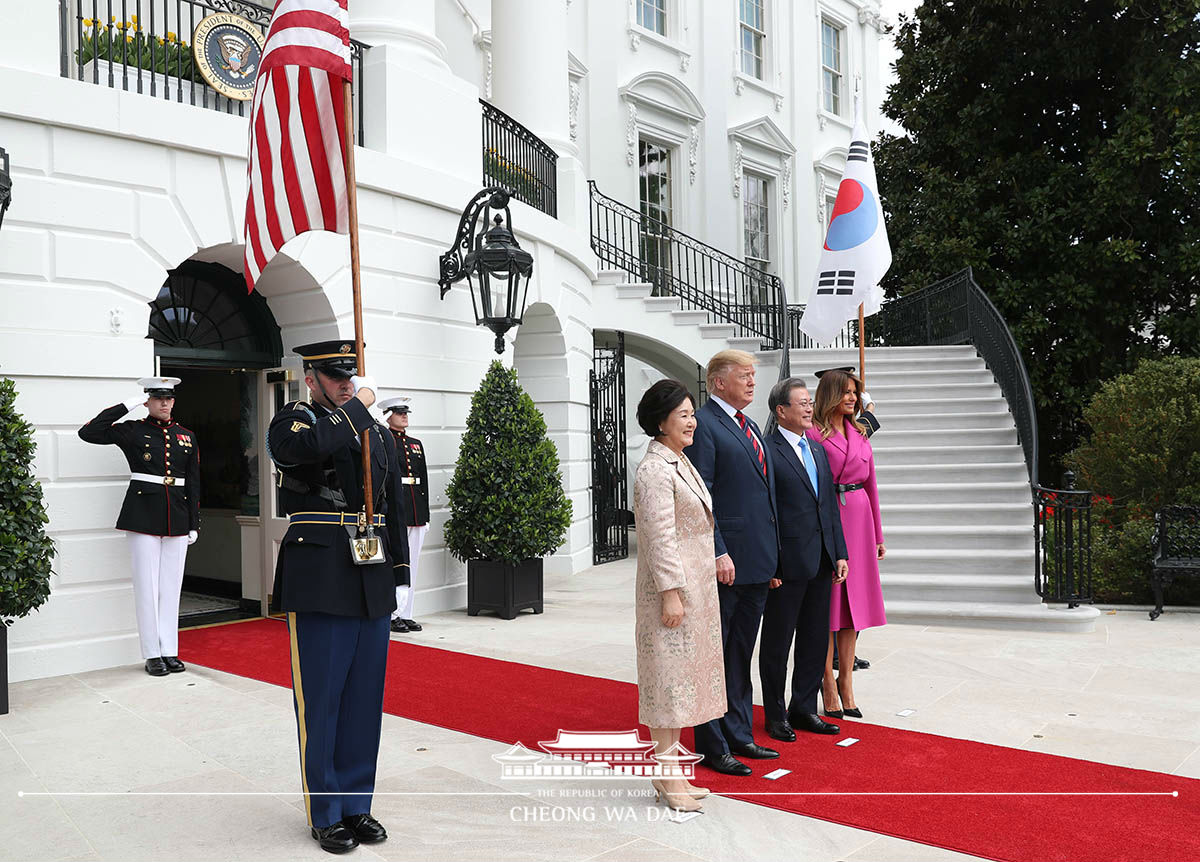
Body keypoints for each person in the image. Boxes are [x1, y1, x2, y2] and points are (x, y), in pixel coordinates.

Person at [268, 341, 410, 854]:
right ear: (311, 379)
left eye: (349, 374)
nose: (345, 382)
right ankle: (325, 811)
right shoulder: (294, 419)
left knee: (363, 700)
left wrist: (398, 570)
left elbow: (392, 497)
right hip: (321, 570)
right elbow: (301, 453)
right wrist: (356, 409)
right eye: (333, 376)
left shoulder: (372, 429)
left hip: (369, 572)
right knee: (323, 699)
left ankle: (357, 803)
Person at [685, 350, 780, 776]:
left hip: (757, 561)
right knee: (716, 654)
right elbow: (702, 497)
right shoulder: (704, 425)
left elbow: (764, 496)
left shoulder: (752, 425)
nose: (752, 383)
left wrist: (773, 555)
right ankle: (712, 743)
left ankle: (740, 733)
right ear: (718, 382)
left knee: (740, 653)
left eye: (753, 376)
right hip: (725, 563)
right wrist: (717, 550)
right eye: (744, 376)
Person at [633, 379, 725, 813]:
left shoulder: (679, 462)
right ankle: (667, 777)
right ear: (660, 421)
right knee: (668, 685)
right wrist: (671, 593)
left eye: (692, 414)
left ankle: (673, 773)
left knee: (681, 684)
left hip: (696, 591)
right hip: (671, 594)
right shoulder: (654, 470)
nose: (692, 422)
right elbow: (659, 538)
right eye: (684, 415)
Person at [79, 377, 199, 677]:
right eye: (158, 398)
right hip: (143, 515)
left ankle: (170, 650)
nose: (164, 404)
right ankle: (152, 654)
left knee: (171, 588)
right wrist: (128, 404)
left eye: (168, 399)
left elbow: (194, 482)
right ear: (148, 401)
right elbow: (88, 432)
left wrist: (194, 523)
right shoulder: (133, 430)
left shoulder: (186, 436)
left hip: (178, 516)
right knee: (147, 586)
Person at [759, 378, 849, 741]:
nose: (810, 409)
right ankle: (775, 714)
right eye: (802, 403)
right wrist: (772, 563)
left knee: (814, 639)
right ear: (781, 411)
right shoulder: (767, 450)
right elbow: (766, 512)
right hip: (786, 563)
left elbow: (828, 505)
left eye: (810, 402)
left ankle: (803, 708)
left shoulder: (817, 449)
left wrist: (839, 551)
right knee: (778, 643)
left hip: (822, 560)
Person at [808, 368, 886, 720]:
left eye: (855, 393)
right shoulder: (812, 434)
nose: (852, 398)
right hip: (828, 518)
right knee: (829, 605)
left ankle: (846, 681)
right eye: (846, 392)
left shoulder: (860, 432)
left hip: (860, 519)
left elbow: (872, 486)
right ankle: (825, 679)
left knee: (854, 608)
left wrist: (879, 536)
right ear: (830, 394)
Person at [378, 396, 428, 634]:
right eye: (399, 413)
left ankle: (407, 613)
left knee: (414, 564)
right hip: (396, 511)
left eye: (406, 412)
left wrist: (425, 515)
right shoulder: (384, 441)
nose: (404, 416)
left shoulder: (415, 443)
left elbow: (423, 482)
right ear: (388, 415)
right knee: (397, 563)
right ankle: (392, 613)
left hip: (416, 510)